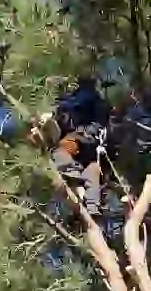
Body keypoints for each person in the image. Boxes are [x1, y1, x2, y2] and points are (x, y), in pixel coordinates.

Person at [46, 79, 109, 213]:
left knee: (61, 151)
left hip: (84, 138)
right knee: (92, 169)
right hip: (88, 147)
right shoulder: (88, 99)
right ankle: (92, 206)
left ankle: (72, 174)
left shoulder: (85, 96)